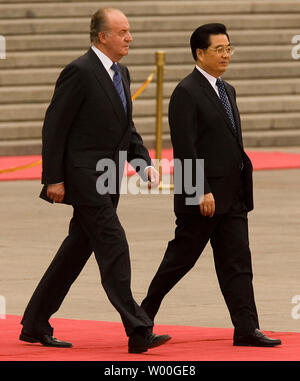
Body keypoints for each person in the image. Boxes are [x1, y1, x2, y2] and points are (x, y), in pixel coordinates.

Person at [19, 7, 171, 354]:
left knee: (75, 251)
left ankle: (34, 323)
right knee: (113, 244)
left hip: (108, 176)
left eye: (129, 31)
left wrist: (142, 163)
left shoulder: (123, 73)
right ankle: (138, 328)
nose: (129, 38)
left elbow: (125, 128)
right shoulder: (79, 71)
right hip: (84, 177)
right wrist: (53, 178)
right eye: (122, 32)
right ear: (102, 37)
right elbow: (54, 126)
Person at [141, 23, 281, 347]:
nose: (226, 55)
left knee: (237, 262)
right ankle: (140, 320)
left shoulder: (226, 90)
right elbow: (185, 147)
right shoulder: (186, 92)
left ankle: (246, 328)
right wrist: (199, 189)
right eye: (219, 49)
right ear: (199, 53)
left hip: (232, 196)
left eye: (229, 48)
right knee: (179, 261)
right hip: (203, 198)